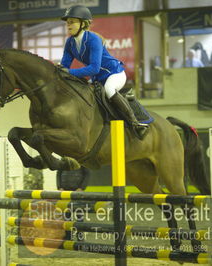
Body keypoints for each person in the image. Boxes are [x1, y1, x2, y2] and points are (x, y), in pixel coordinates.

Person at [59, 5, 148, 140]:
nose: (68, 25)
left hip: (114, 73)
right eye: (67, 22)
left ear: (83, 23)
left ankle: (135, 123)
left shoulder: (93, 39)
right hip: (97, 78)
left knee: (109, 89)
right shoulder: (70, 42)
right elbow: (64, 66)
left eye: (72, 21)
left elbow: (94, 68)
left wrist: (69, 72)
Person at [56, 166, 90, 241]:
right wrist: (59, 187)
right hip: (65, 191)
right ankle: (68, 236)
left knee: (79, 214)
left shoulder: (81, 157)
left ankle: (80, 235)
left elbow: (87, 173)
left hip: (77, 191)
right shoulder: (64, 158)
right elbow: (58, 173)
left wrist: (82, 187)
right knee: (67, 215)